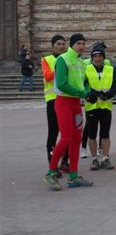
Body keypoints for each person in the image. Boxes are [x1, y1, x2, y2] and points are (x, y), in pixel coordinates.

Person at [43, 33, 95, 190]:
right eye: (79, 43)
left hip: (76, 105)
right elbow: (62, 83)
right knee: (66, 137)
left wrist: (88, 91)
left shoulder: (81, 62)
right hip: (63, 102)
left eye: (83, 44)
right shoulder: (62, 59)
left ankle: (73, 176)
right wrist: (83, 93)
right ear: (72, 44)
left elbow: (84, 82)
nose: (81, 46)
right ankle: (51, 172)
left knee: (77, 138)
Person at [84, 45, 116, 170]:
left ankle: (105, 158)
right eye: (95, 56)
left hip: (106, 106)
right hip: (91, 106)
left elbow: (115, 87)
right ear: (92, 57)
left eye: (100, 56)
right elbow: (84, 85)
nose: (97, 58)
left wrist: (107, 95)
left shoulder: (111, 69)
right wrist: (95, 94)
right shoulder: (86, 69)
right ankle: (94, 159)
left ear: (103, 57)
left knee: (105, 133)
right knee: (92, 134)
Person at [42, 35, 69, 171]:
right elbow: (47, 77)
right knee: (53, 133)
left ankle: (65, 162)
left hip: (67, 99)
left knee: (67, 134)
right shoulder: (47, 60)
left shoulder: (68, 59)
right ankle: (52, 164)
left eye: (63, 44)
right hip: (53, 100)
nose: (61, 46)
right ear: (53, 45)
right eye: (58, 44)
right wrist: (59, 68)